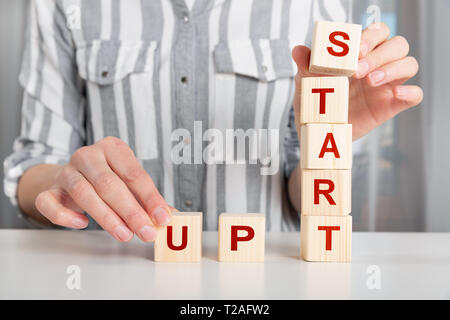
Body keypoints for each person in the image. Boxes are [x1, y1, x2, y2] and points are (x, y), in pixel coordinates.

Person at [3, 0, 422, 243]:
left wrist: (328, 139)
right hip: (115, 274)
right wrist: (63, 181)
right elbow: (31, 167)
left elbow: (304, 198)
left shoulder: (312, 4)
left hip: (268, 286)